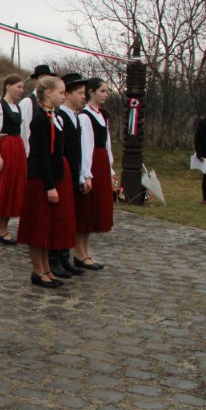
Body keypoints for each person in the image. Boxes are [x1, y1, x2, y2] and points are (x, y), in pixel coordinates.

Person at [17, 75, 73, 288]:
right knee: (38, 226)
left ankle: (46, 268)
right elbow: (42, 155)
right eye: (61, 92)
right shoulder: (40, 119)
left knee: (48, 226)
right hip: (40, 179)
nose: (63, 96)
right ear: (49, 93)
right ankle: (38, 270)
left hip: (52, 177)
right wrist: (50, 186)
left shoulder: (54, 117)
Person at [76, 77, 116, 268]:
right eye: (102, 91)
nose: (105, 95)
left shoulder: (102, 115)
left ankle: (86, 250)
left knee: (94, 209)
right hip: (92, 163)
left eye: (107, 91)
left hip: (101, 162)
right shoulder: (85, 116)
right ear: (91, 92)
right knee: (86, 208)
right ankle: (79, 252)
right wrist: (86, 173)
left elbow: (107, 144)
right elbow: (86, 146)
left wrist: (110, 168)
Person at [50, 73, 86, 278]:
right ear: (68, 94)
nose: (83, 97)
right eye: (79, 93)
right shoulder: (60, 117)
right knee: (59, 219)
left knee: (67, 218)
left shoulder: (74, 117)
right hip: (62, 173)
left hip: (72, 171)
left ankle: (64, 257)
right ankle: (54, 258)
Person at [0, 74, 27, 245]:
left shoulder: (17, 107)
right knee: (3, 186)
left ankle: (5, 228)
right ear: (8, 86)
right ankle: (0, 229)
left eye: (22, 87)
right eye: (18, 87)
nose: (21, 90)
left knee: (13, 187)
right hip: (5, 148)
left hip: (17, 148)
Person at [19, 64, 55, 159]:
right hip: (32, 155)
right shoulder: (28, 102)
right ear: (36, 80)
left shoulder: (51, 103)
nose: (46, 82)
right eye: (43, 78)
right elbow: (24, 130)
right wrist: (26, 155)